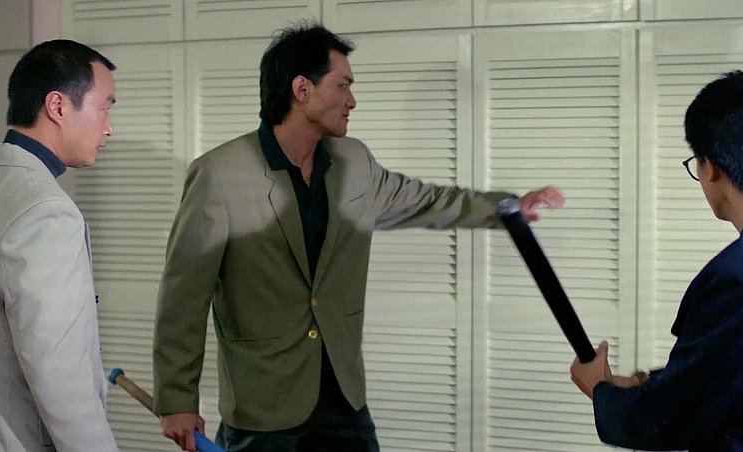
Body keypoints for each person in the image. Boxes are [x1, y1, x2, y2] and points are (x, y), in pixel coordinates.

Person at [153, 22, 564, 451]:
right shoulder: (219, 174)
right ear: (302, 89)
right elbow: (183, 295)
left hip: (344, 401)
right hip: (262, 409)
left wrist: (508, 207)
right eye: (343, 85)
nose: (352, 100)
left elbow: (426, 201)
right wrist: (177, 399)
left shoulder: (354, 162)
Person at [570, 70, 743, 450]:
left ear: (710, 168)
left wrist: (600, 388)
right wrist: (646, 383)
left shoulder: (738, 279)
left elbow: (669, 421)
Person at [0, 40, 119, 451]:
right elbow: (59, 374)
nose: (109, 128)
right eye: (104, 108)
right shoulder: (46, 211)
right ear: (58, 106)